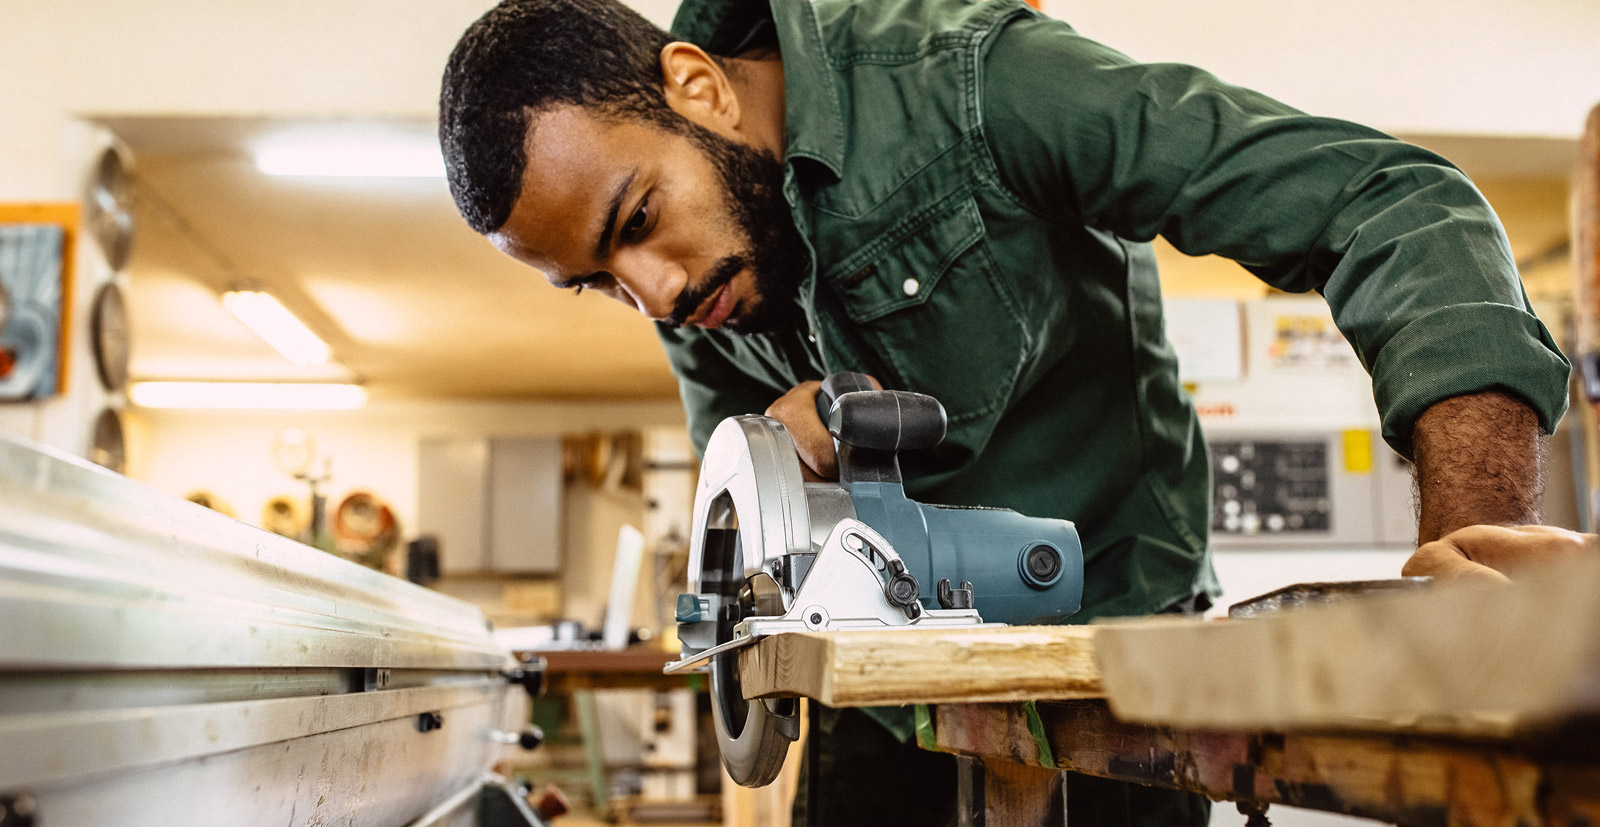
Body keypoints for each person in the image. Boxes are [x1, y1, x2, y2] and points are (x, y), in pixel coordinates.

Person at [437, 0, 1577, 822]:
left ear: (696, 85)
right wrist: (785, 460)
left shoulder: (975, 81)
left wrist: (1467, 549)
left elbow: (1392, 205)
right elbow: (747, 505)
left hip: (1121, 674)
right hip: (881, 698)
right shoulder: (697, 284)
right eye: (596, 280)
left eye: (636, 219)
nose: (656, 295)